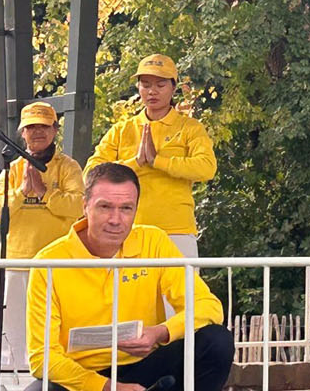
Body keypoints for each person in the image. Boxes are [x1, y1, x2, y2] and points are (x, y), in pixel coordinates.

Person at [12, 162, 235, 391]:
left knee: (216, 341)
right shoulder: (49, 262)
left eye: (126, 208)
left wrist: (160, 333)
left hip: (147, 373)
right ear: (84, 206)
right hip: (83, 379)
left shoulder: (154, 241)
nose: (116, 219)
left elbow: (208, 306)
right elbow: (42, 358)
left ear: (136, 209)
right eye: (105, 207)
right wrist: (108, 389)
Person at [0, 101, 84, 368]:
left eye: (43, 126)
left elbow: (78, 207)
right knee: (13, 331)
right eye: (31, 127)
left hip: (58, 263)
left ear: (55, 130)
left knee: (57, 327)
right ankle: (14, 378)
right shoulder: (13, 169)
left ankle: (56, 375)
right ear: (22, 133)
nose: (37, 132)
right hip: (15, 262)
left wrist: (44, 193)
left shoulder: (68, 167)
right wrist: (22, 192)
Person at [86, 53, 216, 256]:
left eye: (160, 85)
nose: (152, 91)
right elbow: (90, 174)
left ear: (173, 87)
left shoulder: (190, 128)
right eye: (145, 85)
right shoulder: (121, 130)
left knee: (181, 279)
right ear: (138, 88)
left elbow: (206, 168)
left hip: (176, 231)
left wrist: (159, 161)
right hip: (126, 229)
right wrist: (136, 162)